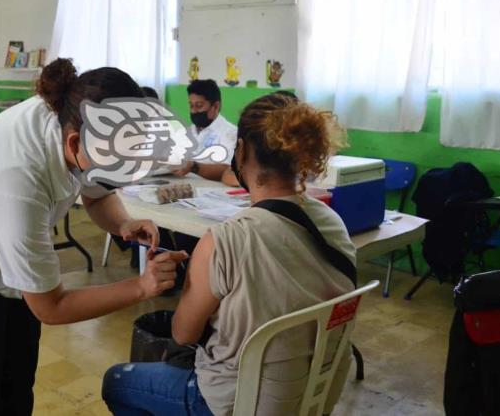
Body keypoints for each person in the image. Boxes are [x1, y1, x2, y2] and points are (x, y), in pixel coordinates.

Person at [0, 58, 187, 415]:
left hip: (15, 249)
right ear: (75, 141)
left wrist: (122, 223)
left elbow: (97, 191)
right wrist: (141, 287)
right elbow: (51, 307)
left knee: (16, 377)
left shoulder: (75, 117)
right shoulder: (16, 178)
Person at [102, 93, 355, 416]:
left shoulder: (226, 239)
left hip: (239, 402)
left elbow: (182, 333)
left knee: (117, 382)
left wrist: (191, 277)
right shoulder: (332, 223)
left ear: (242, 151)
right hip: (315, 392)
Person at [173, 79, 236, 180]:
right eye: (191, 105)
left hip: (213, 191)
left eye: (199, 105)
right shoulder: (186, 132)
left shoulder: (231, 133)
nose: (193, 111)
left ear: (215, 106)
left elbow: (228, 170)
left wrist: (194, 167)